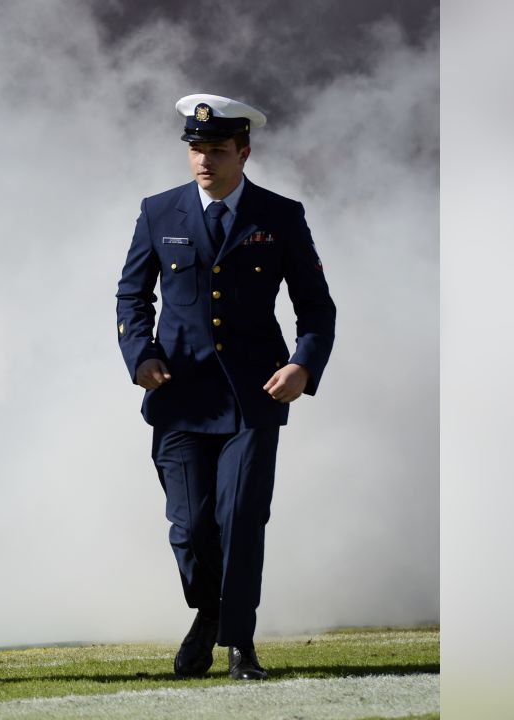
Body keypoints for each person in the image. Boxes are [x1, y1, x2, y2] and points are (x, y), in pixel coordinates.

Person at [115, 94, 336, 681]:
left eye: (215, 150)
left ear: (244, 151)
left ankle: (240, 643)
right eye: (195, 149)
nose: (203, 161)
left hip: (253, 397)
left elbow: (316, 306)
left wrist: (303, 366)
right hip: (180, 395)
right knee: (189, 529)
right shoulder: (160, 212)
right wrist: (140, 355)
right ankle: (208, 615)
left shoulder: (280, 216)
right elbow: (132, 296)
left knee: (239, 518)